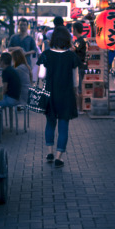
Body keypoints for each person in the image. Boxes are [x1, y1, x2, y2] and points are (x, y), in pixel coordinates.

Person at [37, 26, 79, 168]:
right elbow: (76, 81)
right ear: (68, 39)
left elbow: (41, 75)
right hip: (66, 94)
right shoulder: (72, 56)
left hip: (50, 93)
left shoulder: (46, 54)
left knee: (50, 122)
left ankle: (49, 152)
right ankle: (59, 157)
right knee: (63, 126)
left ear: (53, 39)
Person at [71, 21, 87, 113]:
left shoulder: (81, 40)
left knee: (79, 87)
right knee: (78, 87)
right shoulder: (83, 39)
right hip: (81, 65)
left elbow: (73, 49)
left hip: (80, 66)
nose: (72, 31)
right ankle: (78, 108)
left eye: (73, 29)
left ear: (76, 30)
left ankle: (80, 109)